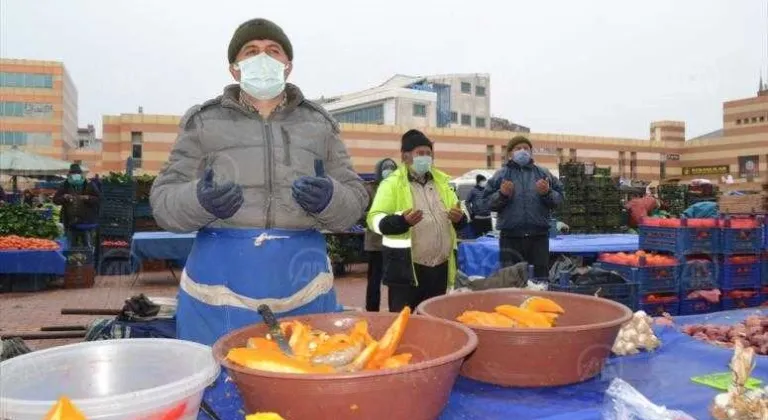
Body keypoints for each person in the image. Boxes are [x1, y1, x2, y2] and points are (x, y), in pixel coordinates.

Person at [150, 18, 368, 346]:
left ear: (287, 66)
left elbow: (354, 200)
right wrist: (199, 200)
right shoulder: (203, 122)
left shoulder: (319, 124)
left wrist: (331, 199)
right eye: (251, 51)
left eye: (272, 50)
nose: (262, 58)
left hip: (303, 278)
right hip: (218, 282)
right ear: (235, 69)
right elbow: (164, 201)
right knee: (217, 382)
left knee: (301, 378)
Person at [367, 129, 466, 312]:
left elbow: (460, 212)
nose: (426, 158)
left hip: (440, 268)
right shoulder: (391, 184)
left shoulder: (442, 182)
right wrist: (401, 221)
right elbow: (374, 219)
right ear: (405, 156)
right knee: (405, 323)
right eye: (420, 153)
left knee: (434, 319)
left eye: (429, 153)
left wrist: (460, 219)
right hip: (406, 269)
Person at [484, 136, 564, 278]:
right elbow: (485, 203)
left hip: (539, 238)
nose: (522, 151)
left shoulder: (543, 173)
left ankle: (538, 301)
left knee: (540, 280)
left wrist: (547, 193)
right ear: (510, 153)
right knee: (512, 280)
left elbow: (560, 198)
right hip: (510, 238)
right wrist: (501, 194)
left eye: (526, 148)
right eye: (518, 148)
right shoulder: (501, 175)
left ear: (531, 152)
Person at [363, 158, 397, 312]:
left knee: (395, 281)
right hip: (375, 243)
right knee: (374, 281)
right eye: (386, 167)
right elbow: (360, 214)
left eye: (392, 168)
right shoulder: (370, 189)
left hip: (395, 242)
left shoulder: (398, 188)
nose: (388, 170)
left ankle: (393, 311)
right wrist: (376, 217)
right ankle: (372, 311)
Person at [53, 164, 100, 248]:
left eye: (77, 173)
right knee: (70, 245)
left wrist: (88, 198)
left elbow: (99, 199)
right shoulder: (65, 184)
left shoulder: (89, 184)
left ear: (81, 174)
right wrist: (64, 197)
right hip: (70, 222)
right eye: (73, 174)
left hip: (86, 222)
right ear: (69, 175)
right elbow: (55, 200)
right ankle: (71, 259)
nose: (75, 176)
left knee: (87, 245)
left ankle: (87, 259)